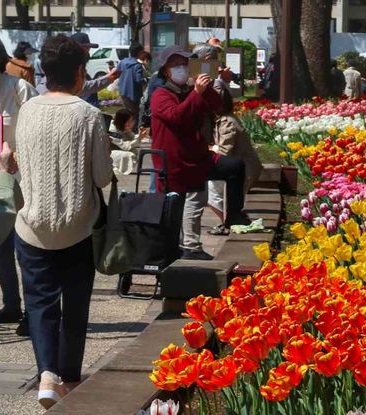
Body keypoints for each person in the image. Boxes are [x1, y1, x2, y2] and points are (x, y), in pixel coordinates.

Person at [14, 34, 113, 409]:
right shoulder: (87, 114)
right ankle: (69, 378)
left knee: (39, 304)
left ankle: (46, 375)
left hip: (32, 225)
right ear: (78, 72)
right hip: (78, 227)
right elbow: (102, 177)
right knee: (75, 304)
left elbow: (24, 165)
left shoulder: (28, 109)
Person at [150, 47, 246, 260]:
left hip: (198, 157)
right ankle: (183, 251)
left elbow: (217, 105)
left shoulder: (190, 90)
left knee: (234, 167)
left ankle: (234, 216)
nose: (181, 69)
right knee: (180, 209)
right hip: (174, 163)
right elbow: (177, 116)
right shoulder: (160, 94)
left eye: (185, 64)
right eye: (175, 65)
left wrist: (206, 86)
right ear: (165, 71)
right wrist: (196, 93)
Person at [0, 39, 35, 335]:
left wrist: (18, 156)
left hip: (20, 181)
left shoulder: (18, 88)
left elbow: (37, 132)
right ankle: (11, 305)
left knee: (24, 248)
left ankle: (32, 312)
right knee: (0, 249)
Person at [207, 86, 262, 233]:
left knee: (212, 189)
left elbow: (224, 150)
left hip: (243, 167)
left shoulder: (227, 122)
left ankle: (227, 221)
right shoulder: (225, 118)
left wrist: (210, 149)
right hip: (240, 165)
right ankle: (228, 220)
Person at [70, 32, 120, 107]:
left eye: (89, 47)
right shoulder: (69, 68)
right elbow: (83, 88)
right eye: (85, 48)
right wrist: (108, 78)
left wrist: (109, 77)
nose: (88, 50)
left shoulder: (80, 66)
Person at [118, 42, 146, 122]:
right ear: (139, 52)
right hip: (133, 95)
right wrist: (146, 80)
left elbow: (117, 74)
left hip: (123, 92)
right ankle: (133, 132)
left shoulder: (122, 62)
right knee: (135, 116)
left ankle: (126, 131)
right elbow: (139, 80)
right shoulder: (137, 66)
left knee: (127, 114)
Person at [108, 107, 139, 175]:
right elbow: (125, 146)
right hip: (107, 153)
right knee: (128, 155)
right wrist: (138, 139)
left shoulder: (123, 126)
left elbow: (132, 138)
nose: (132, 123)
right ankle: (113, 169)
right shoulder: (112, 129)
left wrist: (131, 133)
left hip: (115, 150)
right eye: (130, 121)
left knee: (134, 151)